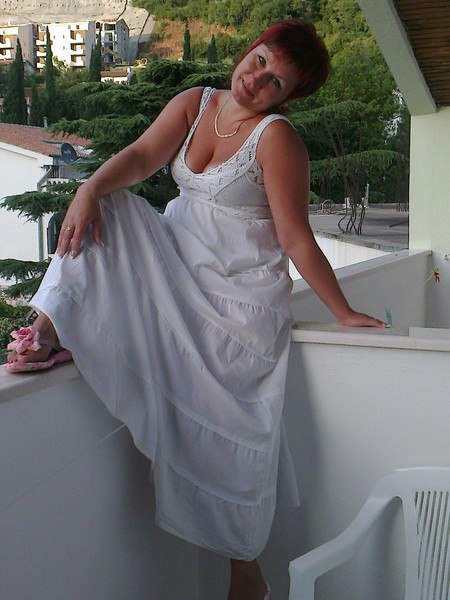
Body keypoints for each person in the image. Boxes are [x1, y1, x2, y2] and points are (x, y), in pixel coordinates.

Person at [5, 19, 386, 600]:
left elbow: (295, 237)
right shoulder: (195, 102)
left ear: (287, 98)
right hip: (177, 266)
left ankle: (245, 575)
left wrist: (343, 311)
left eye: (276, 83)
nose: (257, 81)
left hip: (237, 296)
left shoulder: (277, 139)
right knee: (114, 205)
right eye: (260, 61)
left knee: (224, 430)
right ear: (251, 49)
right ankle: (49, 329)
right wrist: (86, 189)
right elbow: (139, 156)